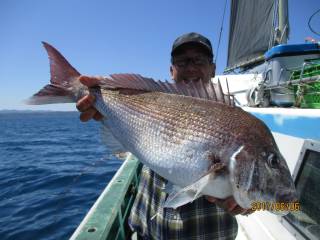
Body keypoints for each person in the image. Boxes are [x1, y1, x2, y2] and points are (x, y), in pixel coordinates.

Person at [76, 32, 252, 240]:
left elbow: (261, 198)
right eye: (182, 61)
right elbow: (122, 140)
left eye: (199, 60)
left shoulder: (240, 123)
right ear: (171, 70)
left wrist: (247, 203)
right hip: (147, 231)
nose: (191, 68)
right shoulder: (150, 100)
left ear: (213, 68)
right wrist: (101, 101)